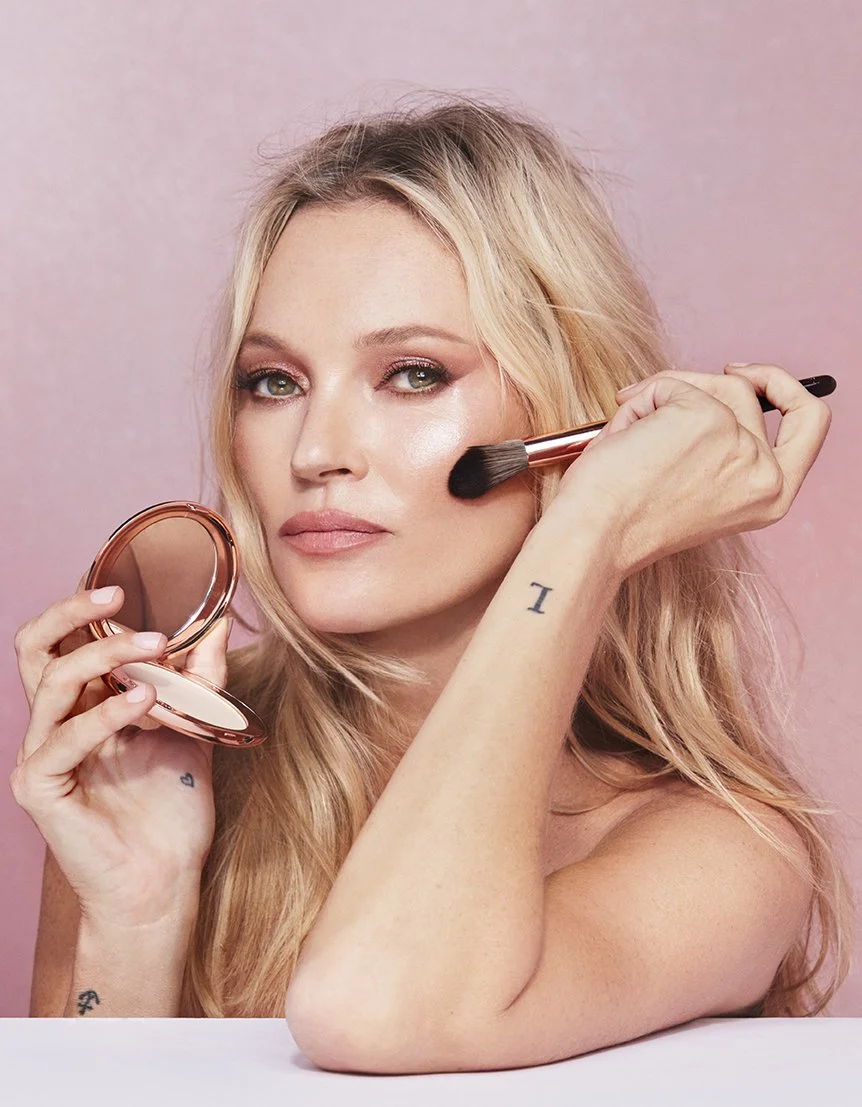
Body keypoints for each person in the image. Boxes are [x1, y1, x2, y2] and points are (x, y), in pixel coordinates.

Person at [13, 93, 853, 1071]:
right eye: (273, 383)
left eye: (412, 374)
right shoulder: (158, 768)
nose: (317, 451)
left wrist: (590, 530)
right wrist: (137, 914)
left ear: (570, 412)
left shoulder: (719, 853)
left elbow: (378, 1007)